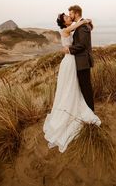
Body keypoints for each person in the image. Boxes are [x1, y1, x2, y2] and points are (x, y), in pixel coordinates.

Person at [43, 10, 101, 153]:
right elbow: (77, 27)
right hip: (69, 62)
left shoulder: (69, 29)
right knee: (69, 87)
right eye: (67, 17)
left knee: (72, 87)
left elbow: (79, 33)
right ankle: (72, 109)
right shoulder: (65, 30)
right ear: (64, 22)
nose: (69, 17)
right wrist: (85, 20)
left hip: (72, 61)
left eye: (70, 15)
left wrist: (85, 22)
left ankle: (76, 106)